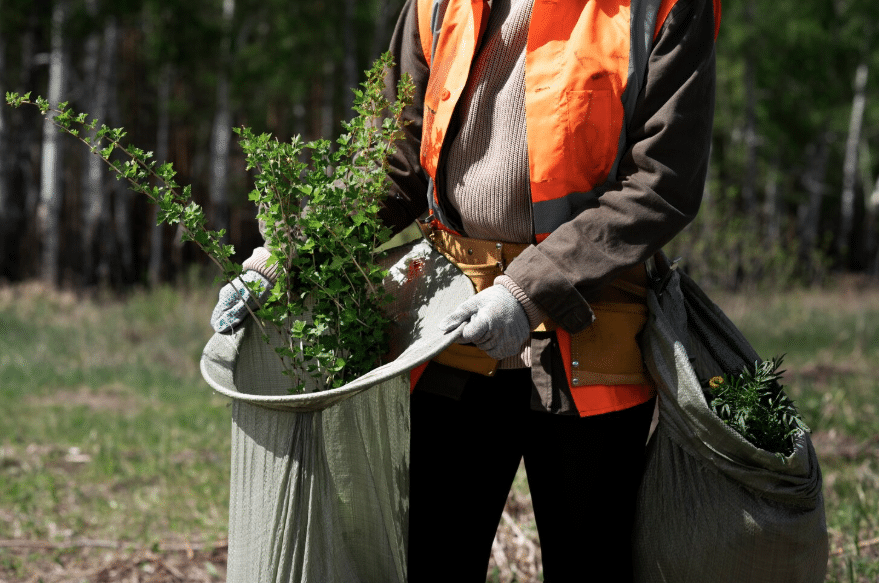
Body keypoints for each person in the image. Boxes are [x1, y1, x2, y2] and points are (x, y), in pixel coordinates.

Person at [213, 0, 719, 579]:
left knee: (592, 564)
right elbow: (393, 164)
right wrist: (290, 255)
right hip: (450, 332)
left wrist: (526, 289)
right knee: (433, 560)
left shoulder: (661, 8)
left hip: (594, 340)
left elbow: (662, 183)